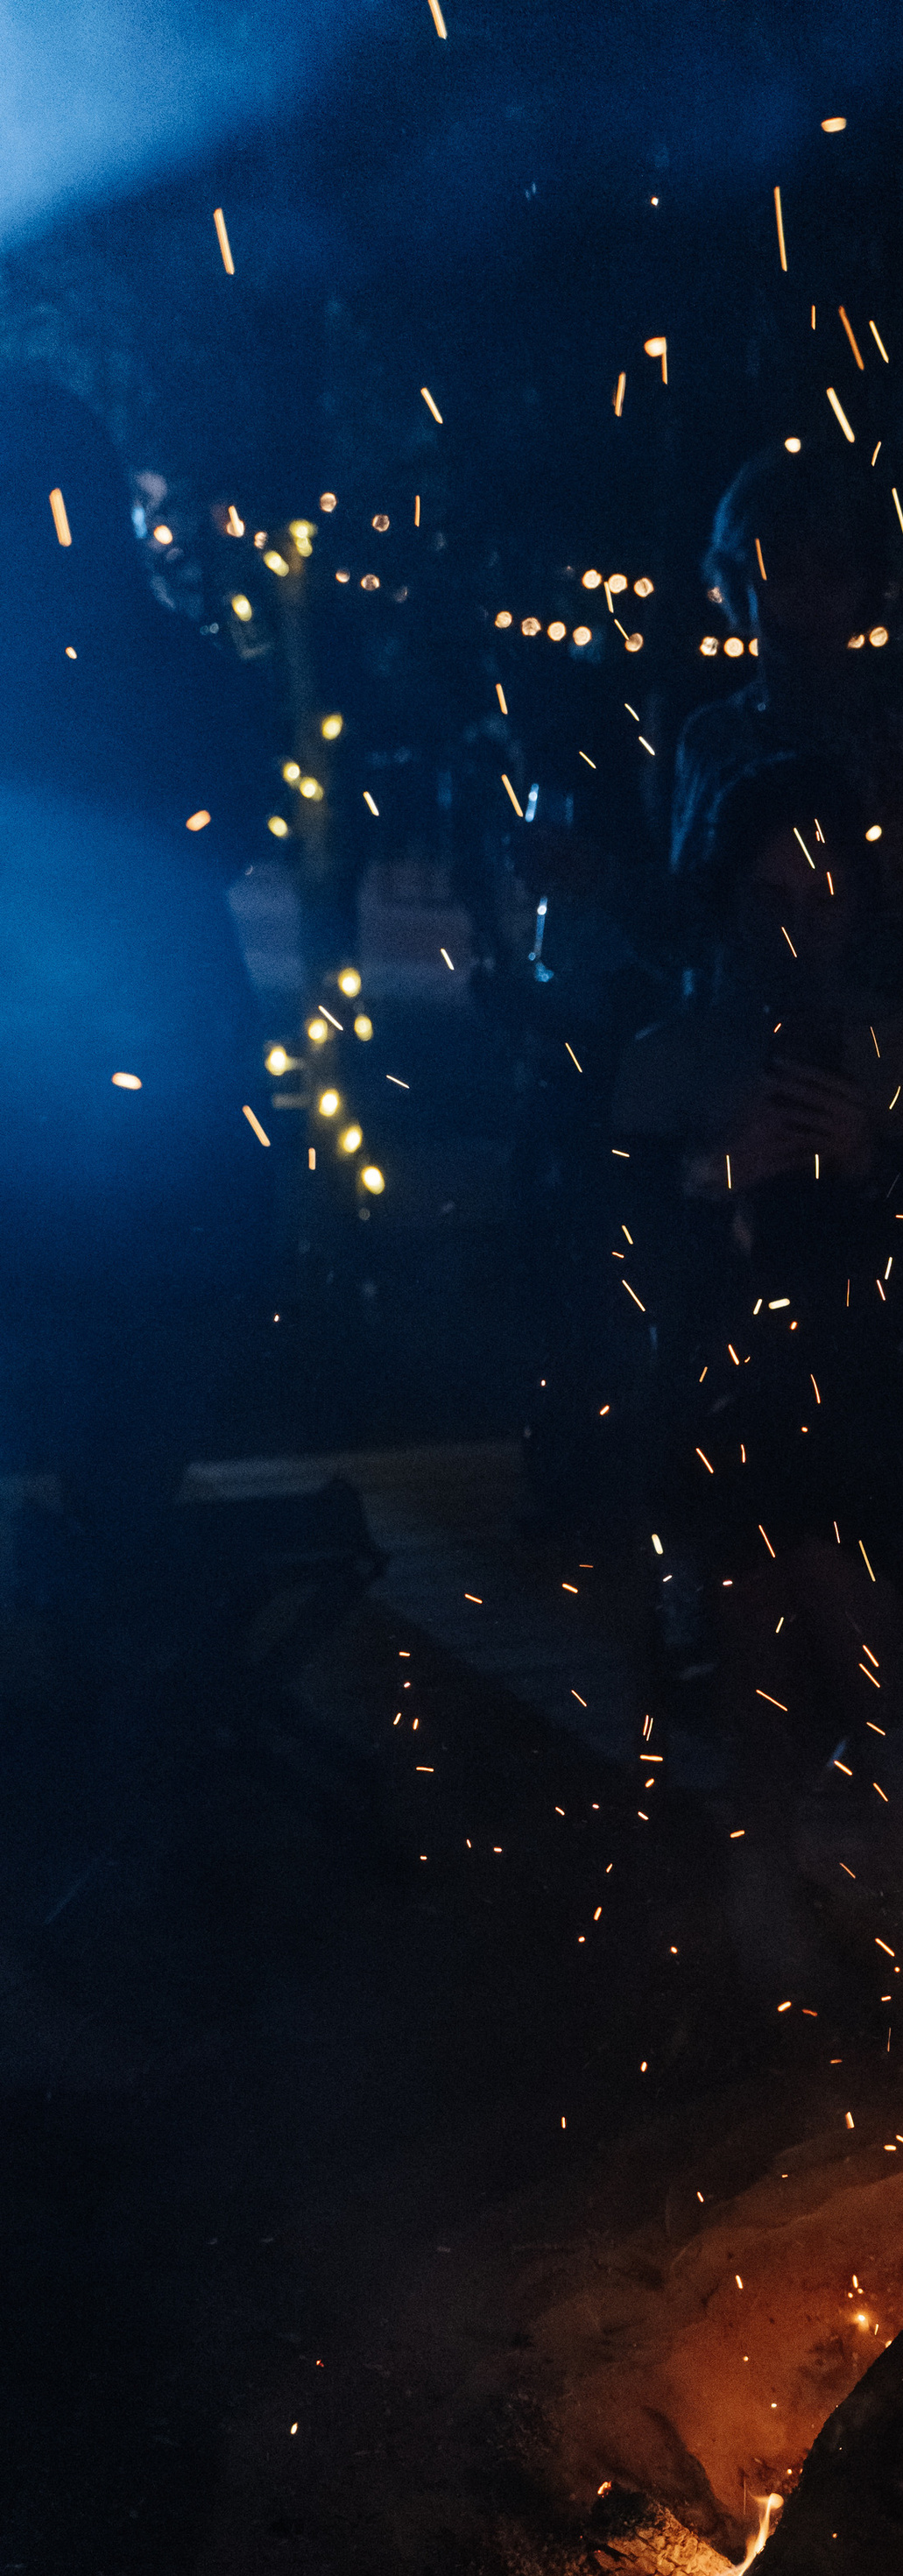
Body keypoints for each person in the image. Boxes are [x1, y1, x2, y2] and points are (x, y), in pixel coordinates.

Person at [614, 754, 903, 1987]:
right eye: (769, 900)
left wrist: (874, 1163)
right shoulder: (674, 1056)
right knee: (769, 1489)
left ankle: (762, 1870)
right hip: (726, 1398)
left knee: (777, 1513)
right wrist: (718, 1177)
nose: (797, 927)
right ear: (726, 907)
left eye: (821, 896)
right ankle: (900, 1767)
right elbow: (615, 1272)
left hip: (878, 1398)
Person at [0, 378, 271, 1662]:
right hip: (165, 1087)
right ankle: (106, 1635)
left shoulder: (132, 669)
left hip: (110, 1095)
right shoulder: (171, 661)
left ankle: (98, 1659)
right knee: (136, 1392)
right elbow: (229, 831)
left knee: (111, 1370)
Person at [670, 443, 903, 1027]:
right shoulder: (714, 739)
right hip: (733, 1059)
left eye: (831, 566)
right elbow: (690, 926)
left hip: (879, 1068)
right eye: (780, 565)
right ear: (738, 582)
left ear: (863, 581)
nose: (809, 594)